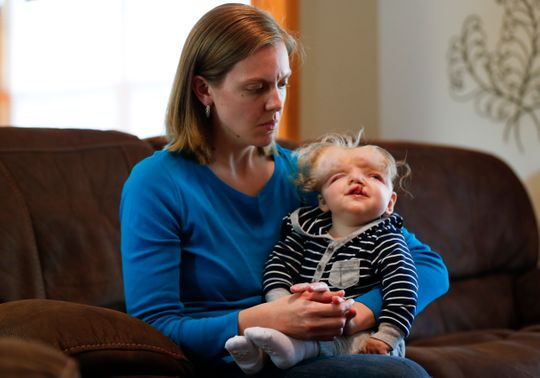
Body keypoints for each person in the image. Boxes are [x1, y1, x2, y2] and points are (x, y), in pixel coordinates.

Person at [119, 3, 448, 377]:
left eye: (282, 82)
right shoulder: (156, 184)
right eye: (256, 87)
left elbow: (429, 266)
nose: (276, 102)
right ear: (203, 90)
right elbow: (153, 326)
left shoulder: (305, 176)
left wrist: (352, 317)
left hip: (313, 352)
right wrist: (263, 319)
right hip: (227, 360)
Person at [225, 133, 418, 374]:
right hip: (300, 319)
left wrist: (387, 337)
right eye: (339, 176)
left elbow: (403, 289)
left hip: (366, 338)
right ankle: (257, 357)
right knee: (279, 333)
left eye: (374, 176)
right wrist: (282, 306)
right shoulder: (302, 234)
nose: (357, 179)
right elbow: (278, 267)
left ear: (390, 203)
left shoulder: (387, 240)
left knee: (345, 344)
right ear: (323, 201)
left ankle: (284, 352)